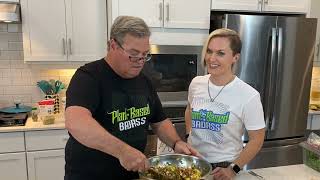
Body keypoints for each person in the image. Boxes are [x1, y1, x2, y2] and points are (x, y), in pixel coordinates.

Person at [64, 16, 199, 180]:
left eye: (145, 54)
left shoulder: (144, 81)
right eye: (134, 54)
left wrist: (176, 143)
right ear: (112, 45)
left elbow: (159, 121)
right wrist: (122, 151)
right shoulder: (89, 77)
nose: (140, 61)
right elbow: (76, 122)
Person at [185, 28, 265, 180]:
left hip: (224, 170)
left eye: (220, 53)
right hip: (194, 164)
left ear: (235, 57)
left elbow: (257, 139)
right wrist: (189, 135)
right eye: (209, 51)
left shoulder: (249, 95)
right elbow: (189, 109)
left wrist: (233, 169)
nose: (211, 58)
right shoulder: (196, 83)